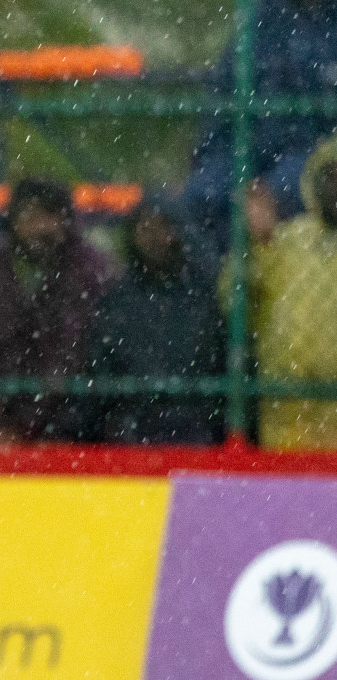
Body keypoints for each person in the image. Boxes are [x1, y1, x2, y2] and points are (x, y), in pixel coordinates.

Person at [0, 178, 116, 443]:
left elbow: (81, 358)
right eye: (31, 217)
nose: (41, 227)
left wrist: (43, 430)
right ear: (13, 222)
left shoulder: (90, 273)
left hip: (72, 433)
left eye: (50, 217)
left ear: (66, 222)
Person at [185, 0, 337, 247]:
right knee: (200, 197)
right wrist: (216, 178)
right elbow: (220, 117)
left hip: (313, 167)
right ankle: (231, 279)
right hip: (250, 160)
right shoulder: (260, 20)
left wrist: (277, 189)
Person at [90, 193, 226, 445]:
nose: (153, 237)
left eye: (162, 226)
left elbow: (222, 363)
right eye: (144, 228)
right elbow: (102, 373)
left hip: (196, 431)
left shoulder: (204, 296)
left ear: (177, 232)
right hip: (134, 432)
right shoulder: (118, 301)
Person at [240, 134, 337, 448]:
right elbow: (234, 298)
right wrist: (260, 243)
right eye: (330, 176)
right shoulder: (288, 240)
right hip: (289, 428)